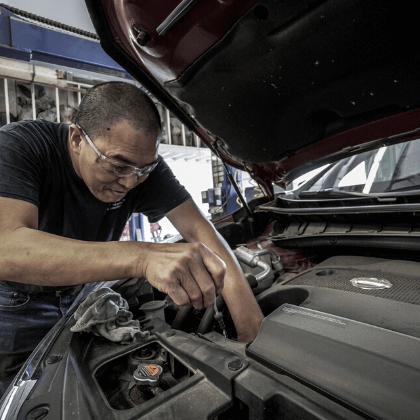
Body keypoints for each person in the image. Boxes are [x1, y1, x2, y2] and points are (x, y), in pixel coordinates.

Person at [0, 81, 263, 396]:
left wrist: (250, 331)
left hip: (83, 297)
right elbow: (7, 248)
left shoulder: (140, 169)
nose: (130, 182)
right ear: (76, 138)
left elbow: (200, 230)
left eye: (143, 170)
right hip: (15, 306)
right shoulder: (21, 146)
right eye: (117, 167)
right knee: (21, 397)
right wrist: (142, 256)